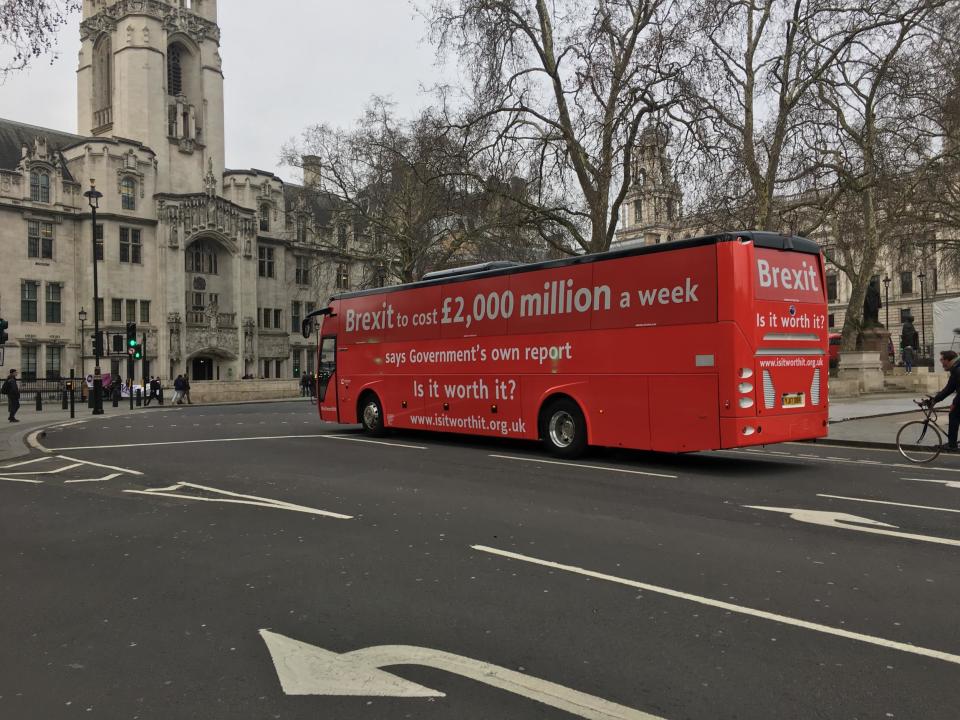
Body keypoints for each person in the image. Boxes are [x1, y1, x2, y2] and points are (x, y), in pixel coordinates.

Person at [925, 350, 960, 451]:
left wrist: (954, 403)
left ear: (949, 360)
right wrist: (935, 400)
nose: (941, 362)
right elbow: (949, 388)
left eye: (942, 359)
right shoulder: (956, 368)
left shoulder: (958, 370)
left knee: (953, 415)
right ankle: (952, 443)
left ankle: (952, 445)